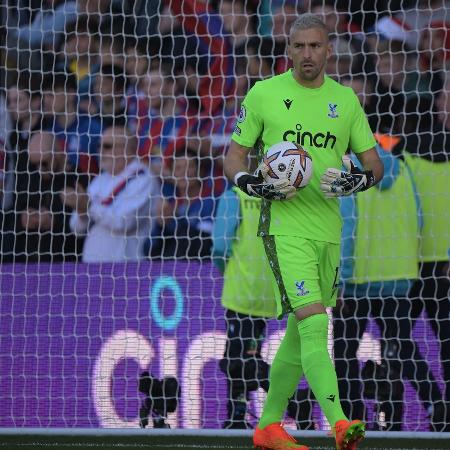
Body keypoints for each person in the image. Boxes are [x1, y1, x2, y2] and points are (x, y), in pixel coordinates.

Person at [224, 14, 384, 450]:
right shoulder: (265, 94)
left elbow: (375, 165)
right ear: (288, 50)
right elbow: (234, 157)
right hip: (283, 228)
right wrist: (249, 182)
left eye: (316, 46)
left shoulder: (345, 100)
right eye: (299, 46)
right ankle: (338, 422)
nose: (307, 54)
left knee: (301, 334)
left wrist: (357, 181)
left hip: (328, 232)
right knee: (314, 325)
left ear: (328, 50)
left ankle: (269, 427)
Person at [333, 145, 444, 431]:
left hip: (357, 282)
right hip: (398, 278)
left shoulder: (349, 168)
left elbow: (347, 226)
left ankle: (354, 420)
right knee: (403, 349)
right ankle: (437, 407)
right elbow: (418, 219)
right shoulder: (402, 168)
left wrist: (340, 279)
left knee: (345, 353)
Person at [212, 182, 315, 430]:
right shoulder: (281, 196)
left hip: (241, 292)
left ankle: (290, 403)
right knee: (245, 355)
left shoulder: (234, 195)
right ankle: (238, 412)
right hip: (269, 291)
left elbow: (219, 246)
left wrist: (226, 269)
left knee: (235, 358)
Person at [66, 122, 159, 262]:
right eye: (99, 146)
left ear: (129, 150)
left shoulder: (144, 178)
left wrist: (89, 207)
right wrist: (81, 210)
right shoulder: (100, 180)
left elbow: (124, 222)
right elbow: (76, 228)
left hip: (126, 269)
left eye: (108, 146)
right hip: (91, 268)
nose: (101, 151)